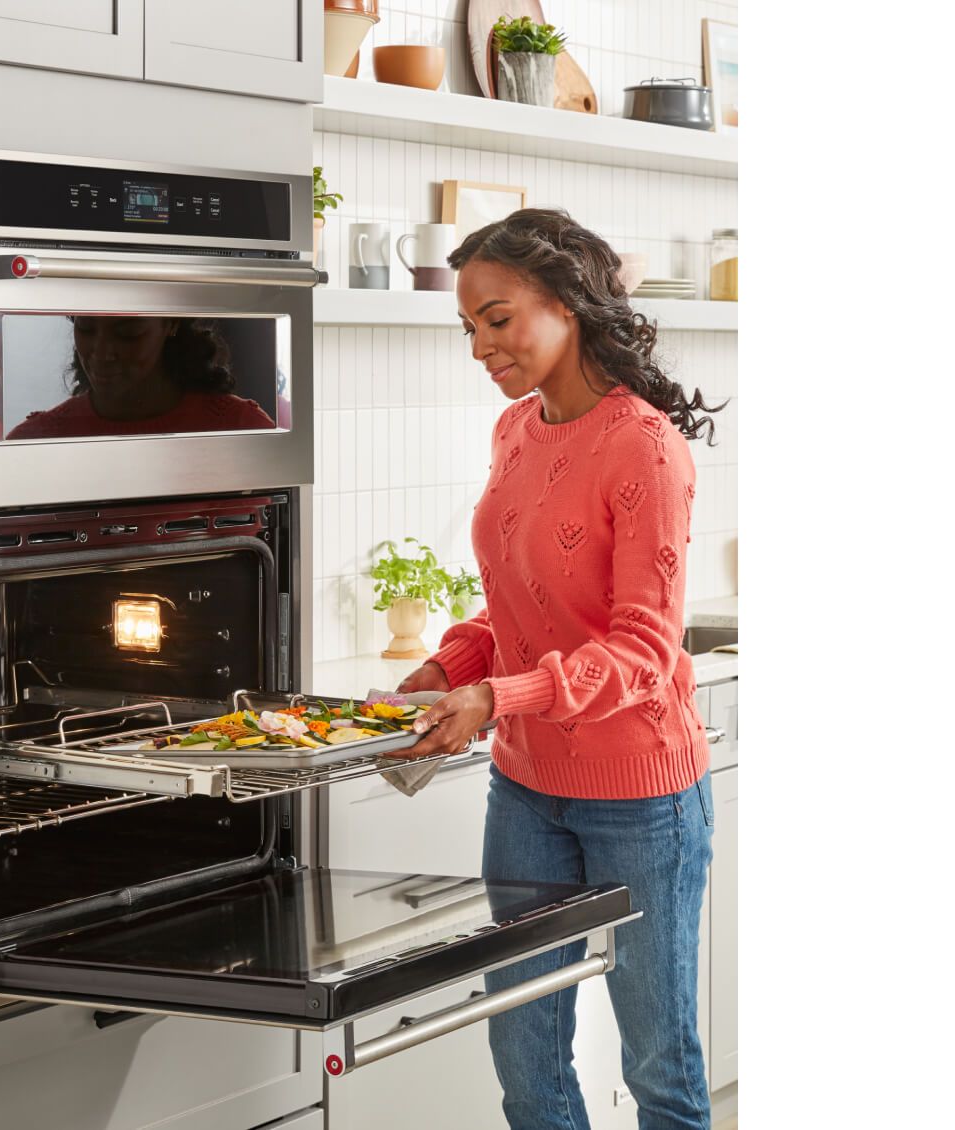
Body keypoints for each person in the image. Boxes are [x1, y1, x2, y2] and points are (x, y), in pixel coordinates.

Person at [398, 208, 725, 1130]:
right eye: (468, 327)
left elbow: (643, 648)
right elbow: (515, 602)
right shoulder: (516, 431)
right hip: (527, 787)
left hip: (641, 796)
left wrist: (498, 695)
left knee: (658, 1059)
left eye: (496, 319)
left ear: (567, 303)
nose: (480, 347)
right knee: (524, 1051)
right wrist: (449, 665)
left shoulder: (644, 445)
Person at [1, 316, 276, 439]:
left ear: (171, 324)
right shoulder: (35, 438)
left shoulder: (241, 427)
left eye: (128, 333)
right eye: (86, 328)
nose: (102, 352)